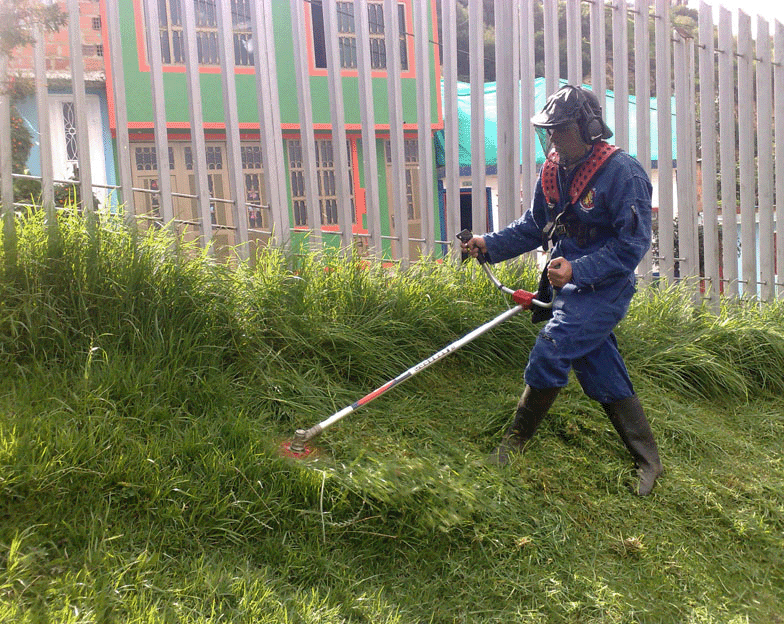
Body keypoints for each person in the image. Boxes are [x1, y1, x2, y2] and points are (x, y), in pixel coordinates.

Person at [461, 85, 662, 496]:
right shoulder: (553, 169)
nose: (551, 139)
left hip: (605, 286)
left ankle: (513, 444)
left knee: (553, 346)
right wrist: (490, 244)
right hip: (567, 283)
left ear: (589, 128)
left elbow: (632, 246)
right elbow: (535, 226)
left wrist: (578, 269)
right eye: (547, 130)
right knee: (598, 363)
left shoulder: (624, 172)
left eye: (560, 130)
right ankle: (649, 460)